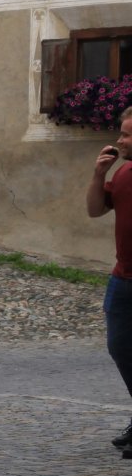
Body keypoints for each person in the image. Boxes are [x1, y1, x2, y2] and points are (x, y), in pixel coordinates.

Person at [86, 105, 132, 457]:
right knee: (120, 347)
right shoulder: (124, 172)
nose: (119, 140)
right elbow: (95, 209)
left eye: (127, 135)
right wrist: (98, 174)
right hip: (123, 278)